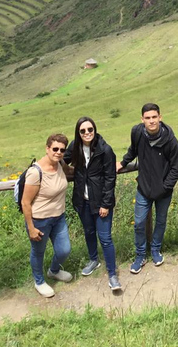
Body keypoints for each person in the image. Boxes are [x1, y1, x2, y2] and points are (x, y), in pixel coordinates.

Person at [116, 103, 178, 274]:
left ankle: (155, 250)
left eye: (154, 117)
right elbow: (133, 150)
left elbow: (176, 169)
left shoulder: (170, 141)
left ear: (160, 117)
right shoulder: (137, 132)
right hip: (143, 188)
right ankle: (140, 255)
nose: (151, 121)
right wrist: (123, 163)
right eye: (148, 118)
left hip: (164, 192)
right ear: (142, 119)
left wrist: (165, 187)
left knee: (160, 222)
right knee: (138, 223)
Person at [63, 117, 122, 291]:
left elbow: (110, 179)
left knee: (105, 238)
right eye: (83, 131)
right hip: (82, 201)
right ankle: (94, 260)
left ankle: (112, 274)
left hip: (101, 202)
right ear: (78, 133)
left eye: (90, 129)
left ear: (95, 130)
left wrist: (105, 204)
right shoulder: (75, 147)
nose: (87, 133)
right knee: (89, 232)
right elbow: (61, 159)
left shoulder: (105, 150)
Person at [21, 133, 73, 298]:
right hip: (40, 220)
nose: (58, 152)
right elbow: (25, 203)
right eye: (55, 149)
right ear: (47, 148)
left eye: (62, 150)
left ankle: (54, 271)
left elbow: (70, 171)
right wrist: (31, 227)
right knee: (38, 252)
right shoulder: (35, 172)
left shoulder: (60, 164)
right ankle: (39, 281)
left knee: (64, 250)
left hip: (59, 217)